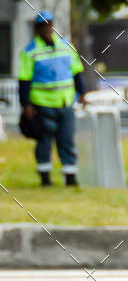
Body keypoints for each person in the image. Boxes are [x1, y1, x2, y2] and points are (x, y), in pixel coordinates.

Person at [18, 11, 87, 186]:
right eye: (43, 25)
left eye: (49, 24)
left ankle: (70, 178)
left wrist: (83, 94)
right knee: (44, 142)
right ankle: (45, 179)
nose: (47, 28)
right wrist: (25, 104)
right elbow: (24, 80)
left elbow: (77, 72)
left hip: (65, 103)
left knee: (67, 140)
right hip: (42, 105)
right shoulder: (30, 52)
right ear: (37, 29)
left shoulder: (66, 46)